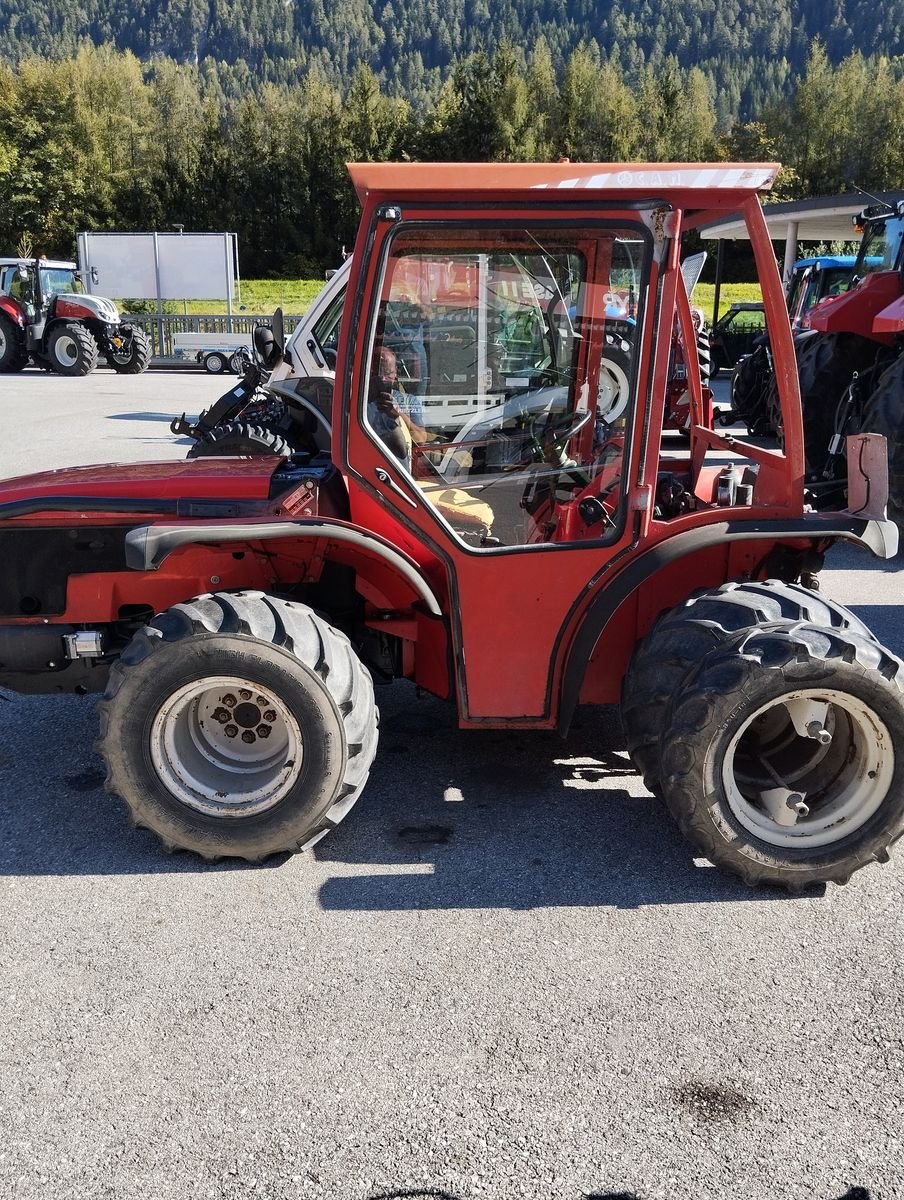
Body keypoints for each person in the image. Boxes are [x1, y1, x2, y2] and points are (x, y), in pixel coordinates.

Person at [367, 345, 428, 471]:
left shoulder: (408, 401)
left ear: (395, 374)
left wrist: (398, 414)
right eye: (376, 374)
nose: (382, 379)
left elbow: (421, 440)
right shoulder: (356, 401)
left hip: (399, 470)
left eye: (387, 373)